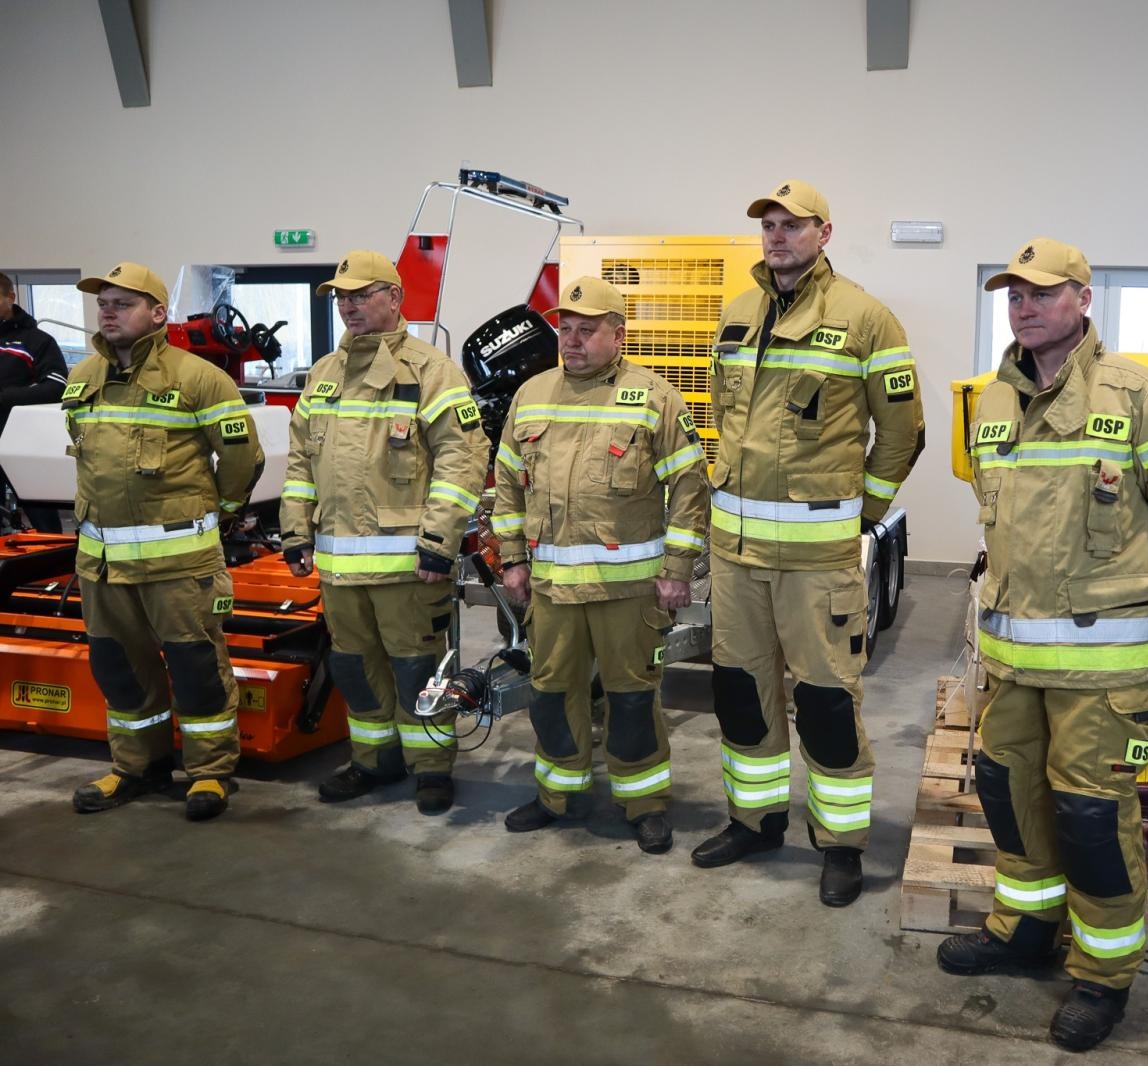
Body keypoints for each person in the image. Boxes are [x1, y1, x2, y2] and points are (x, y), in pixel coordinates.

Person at [935, 239, 1148, 1051]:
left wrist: (1146, 606)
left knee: (1092, 817)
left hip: (1102, 668)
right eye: (1013, 296)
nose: (1023, 307)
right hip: (1012, 660)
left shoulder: (1139, 395)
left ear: (1084, 299)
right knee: (1009, 794)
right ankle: (1023, 927)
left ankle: (1102, 976)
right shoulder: (992, 398)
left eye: (1042, 293)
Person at [691, 179, 925, 907]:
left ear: (825, 233)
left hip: (817, 560)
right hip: (734, 559)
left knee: (825, 703)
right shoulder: (735, 314)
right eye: (769, 225)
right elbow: (726, 423)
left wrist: (865, 512)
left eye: (793, 225)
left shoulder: (865, 318)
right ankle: (754, 821)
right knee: (741, 695)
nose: (777, 236)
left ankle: (841, 845)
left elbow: (903, 432)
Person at [490, 276, 708, 853]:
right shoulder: (532, 395)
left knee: (632, 696)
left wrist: (678, 569)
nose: (573, 340)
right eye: (566, 329)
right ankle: (558, 796)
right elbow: (509, 485)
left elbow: (689, 487)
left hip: (628, 591)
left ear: (618, 334)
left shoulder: (654, 396)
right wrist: (511, 560)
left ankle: (645, 803)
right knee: (550, 693)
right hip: (552, 591)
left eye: (588, 330)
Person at [281, 250, 488, 816]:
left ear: (394, 298)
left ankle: (432, 768)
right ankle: (374, 761)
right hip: (339, 567)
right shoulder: (325, 373)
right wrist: (295, 531)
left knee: (418, 669)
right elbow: (301, 459)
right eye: (340, 297)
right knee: (354, 667)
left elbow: (463, 458)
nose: (348, 305)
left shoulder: (430, 370)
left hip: (410, 567)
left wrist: (440, 542)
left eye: (360, 294)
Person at [65, 261, 264, 821]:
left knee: (196, 667)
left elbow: (242, 456)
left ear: (157, 314)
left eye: (122, 302)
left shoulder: (198, 377)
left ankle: (210, 773)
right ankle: (136, 767)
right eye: (103, 302)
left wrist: (221, 512)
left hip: (179, 564)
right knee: (121, 670)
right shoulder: (83, 379)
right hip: (101, 566)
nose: (108, 311)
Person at [0, 271, 69, 427]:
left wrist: (4, 397)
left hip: (12, 434)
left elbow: (57, 387)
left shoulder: (38, 341)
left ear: (10, 298)